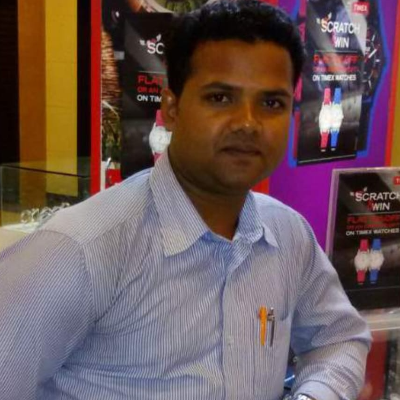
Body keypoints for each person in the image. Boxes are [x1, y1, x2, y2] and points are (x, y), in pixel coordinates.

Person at [0, 1, 371, 399]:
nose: (248, 123)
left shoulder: (288, 235)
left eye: (271, 103)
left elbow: (339, 339)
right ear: (172, 108)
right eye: (220, 97)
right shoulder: (81, 251)